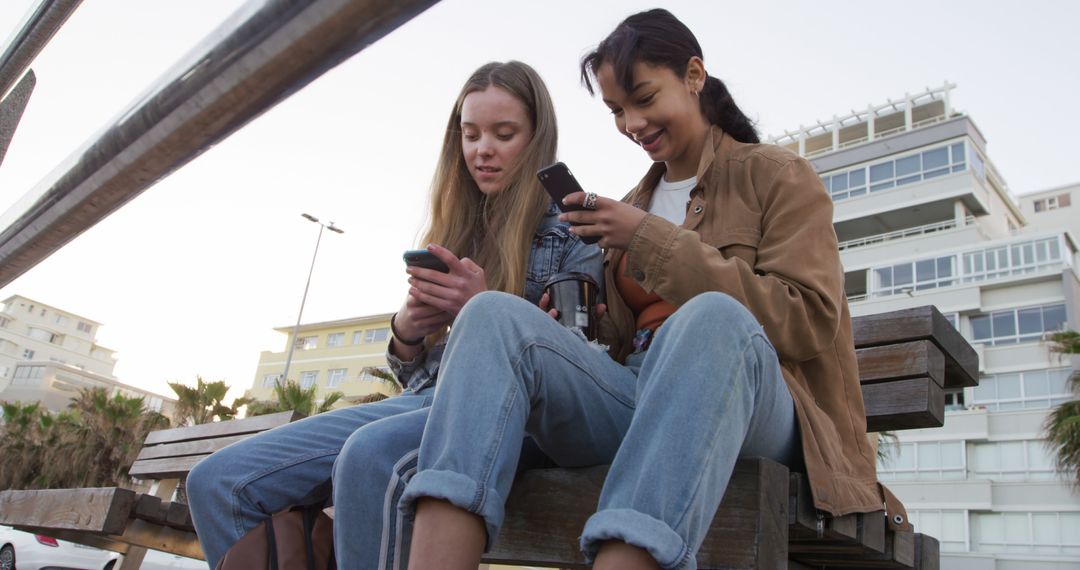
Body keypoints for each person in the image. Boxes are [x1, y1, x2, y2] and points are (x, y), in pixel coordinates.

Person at [399, 9, 906, 570]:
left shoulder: (776, 175)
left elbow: (807, 321)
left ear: (693, 76)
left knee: (712, 318)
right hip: (642, 398)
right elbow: (613, 348)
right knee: (494, 314)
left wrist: (651, 241)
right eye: (617, 110)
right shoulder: (630, 205)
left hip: (762, 405)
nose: (631, 122)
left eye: (643, 98)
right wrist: (563, 329)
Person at [184, 60, 602, 569]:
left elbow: (572, 378)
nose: (482, 150)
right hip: (422, 402)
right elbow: (417, 376)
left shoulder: (575, 231)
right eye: (469, 135)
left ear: (537, 138)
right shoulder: (463, 224)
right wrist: (408, 333)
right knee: (216, 482)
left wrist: (483, 309)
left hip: (503, 417)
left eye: (503, 133)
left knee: (371, 456)